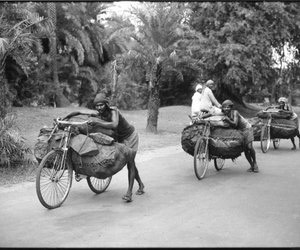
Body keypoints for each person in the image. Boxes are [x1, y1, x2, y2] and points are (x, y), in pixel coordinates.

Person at [64, 93, 145, 201]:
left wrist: (97, 123)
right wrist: (67, 117)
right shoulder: (99, 113)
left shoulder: (113, 111)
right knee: (131, 163)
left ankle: (129, 193)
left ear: (106, 104)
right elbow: (80, 111)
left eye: (101, 105)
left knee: (130, 163)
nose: (99, 108)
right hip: (119, 138)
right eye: (97, 106)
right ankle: (141, 184)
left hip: (130, 136)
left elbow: (114, 124)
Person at [221, 100, 259, 173]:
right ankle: (251, 165)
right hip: (238, 131)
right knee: (245, 149)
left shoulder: (235, 112)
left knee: (249, 147)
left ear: (231, 108)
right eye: (224, 107)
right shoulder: (224, 114)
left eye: (228, 107)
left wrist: (227, 120)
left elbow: (235, 123)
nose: (226, 109)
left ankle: (255, 163)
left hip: (246, 129)